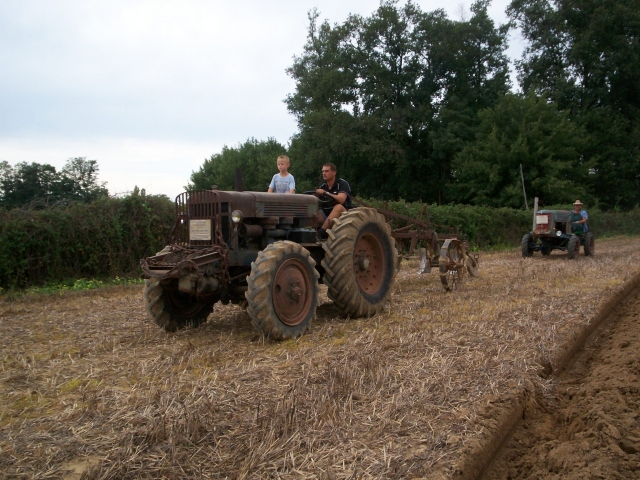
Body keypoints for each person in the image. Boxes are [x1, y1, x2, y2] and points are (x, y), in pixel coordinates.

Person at [315, 163, 353, 238]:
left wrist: (326, 193)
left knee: (338, 207)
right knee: (313, 209)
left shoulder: (342, 183)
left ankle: (320, 233)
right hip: (327, 215)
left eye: (326, 171)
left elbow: (341, 200)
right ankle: (306, 233)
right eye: (323, 171)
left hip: (343, 216)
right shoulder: (323, 185)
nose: (324, 173)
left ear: (334, 173)